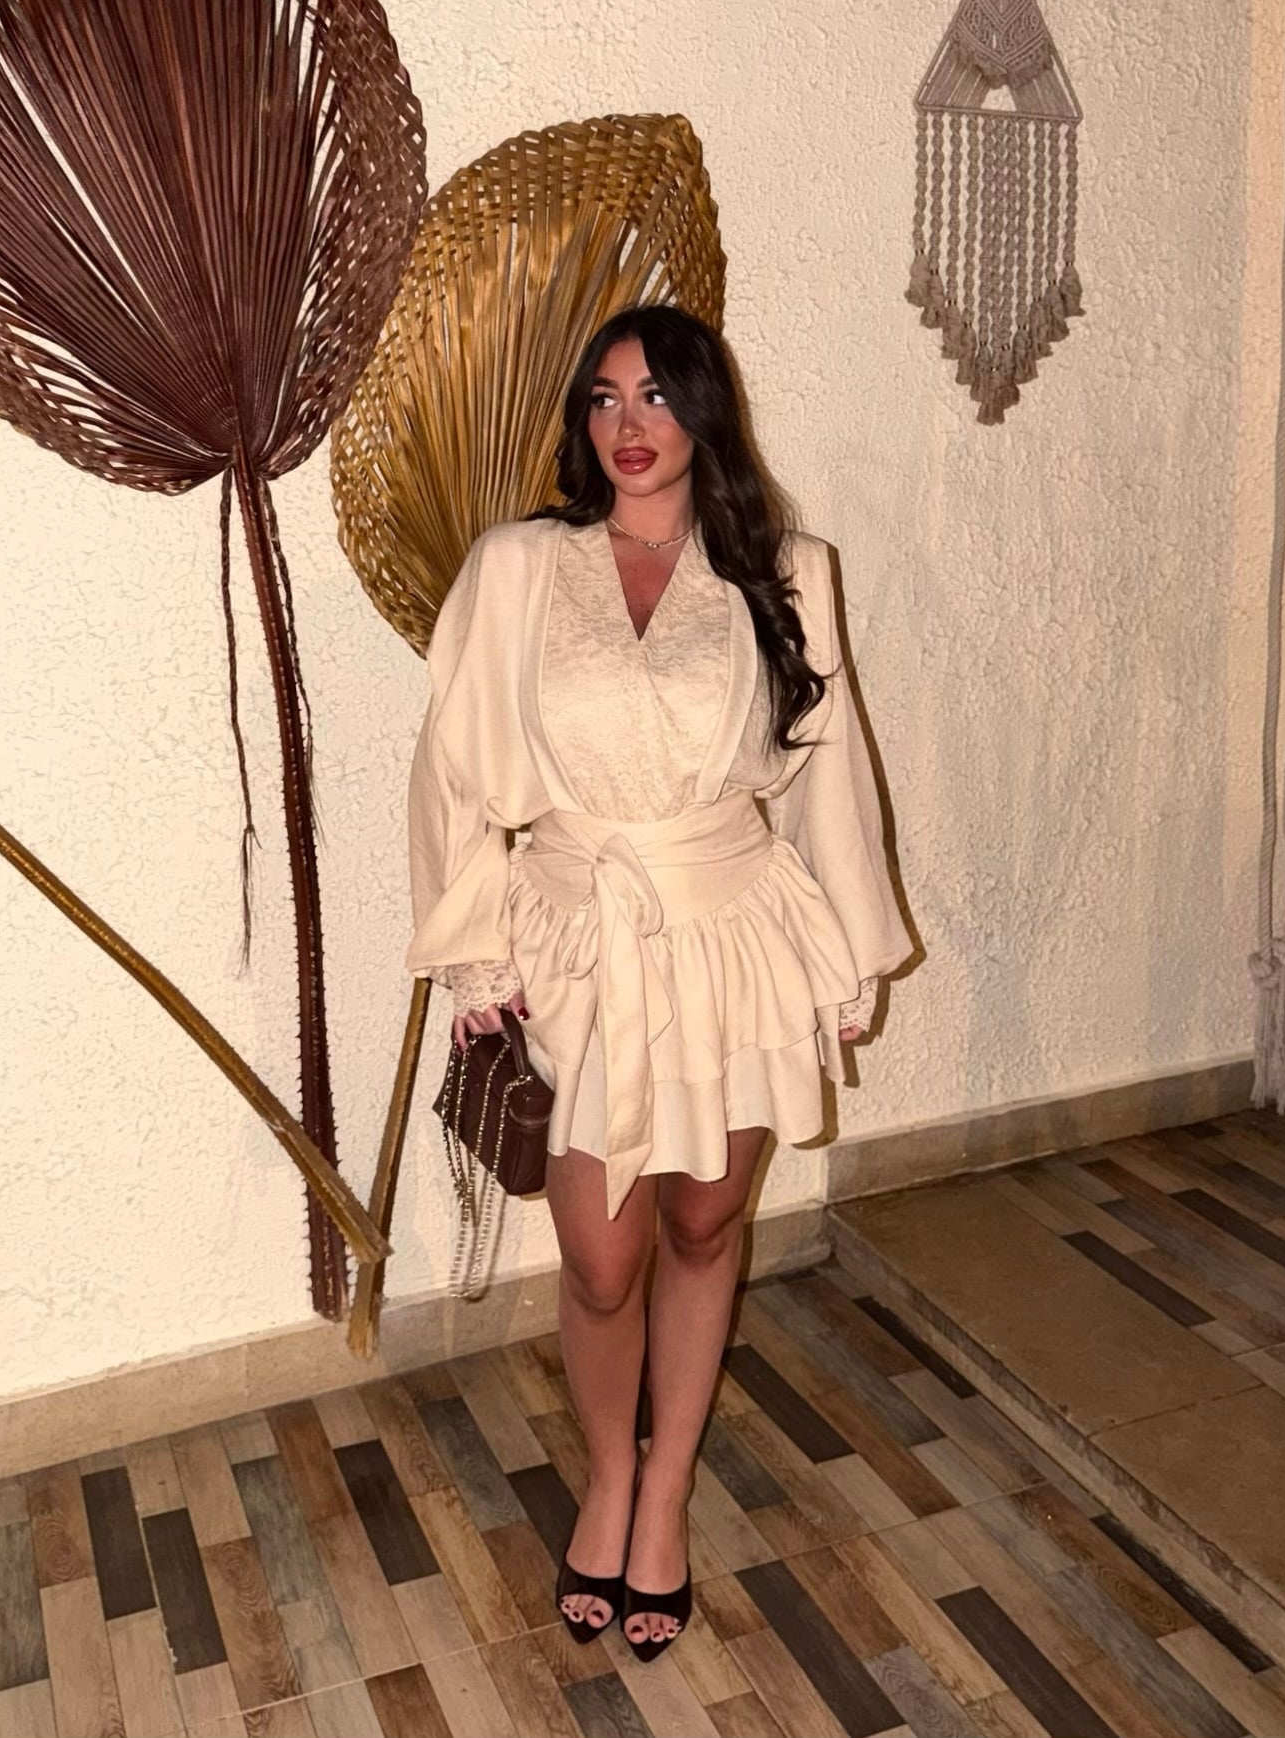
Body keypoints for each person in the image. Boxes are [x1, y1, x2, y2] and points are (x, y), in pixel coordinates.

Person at [407, 304, 912, 1657]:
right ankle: (607, 1473)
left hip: (734, 934)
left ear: (704, 412)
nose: (627, 426)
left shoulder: (785, 569)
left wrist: (847, 957)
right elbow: (452, 766)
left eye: (654, 396)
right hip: (578, 939)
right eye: (603, 398)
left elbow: (826, 771)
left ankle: (665, 1489)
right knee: (600, 1253)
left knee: (702, 1221)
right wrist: (472, 948)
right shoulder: (519, 565)